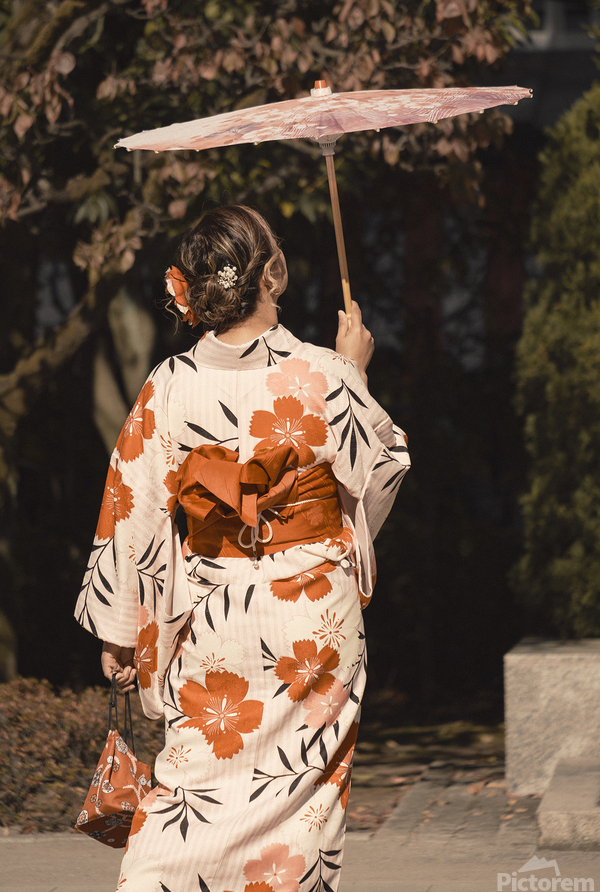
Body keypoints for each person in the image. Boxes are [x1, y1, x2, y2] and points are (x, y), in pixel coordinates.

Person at [75, 204, 410, 892]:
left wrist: (119, 631)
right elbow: (381, 467)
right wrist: (354, 371)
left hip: (213, 612)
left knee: (191, 782)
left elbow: (131, 505)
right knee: (304, 801)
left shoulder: (170, 384)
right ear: (273, 274)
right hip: (314, 621)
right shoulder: (323, 372)